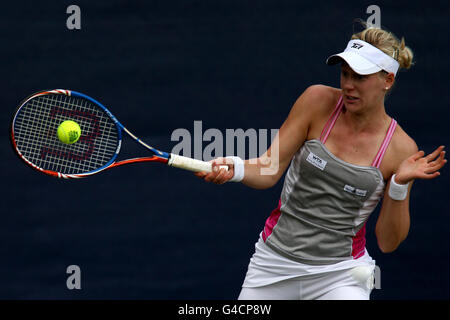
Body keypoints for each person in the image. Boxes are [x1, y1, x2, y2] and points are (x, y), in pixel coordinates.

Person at [195, 25, 447, 300]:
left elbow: (388, 242)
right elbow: (268, 169)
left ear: (387, 80)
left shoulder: (401, 149)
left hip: (341, 275)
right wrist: (236, 168)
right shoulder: (316, 101)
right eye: (345, 74)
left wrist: (398, 184)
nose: (348, 85)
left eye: (360, 77)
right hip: (273, 263)